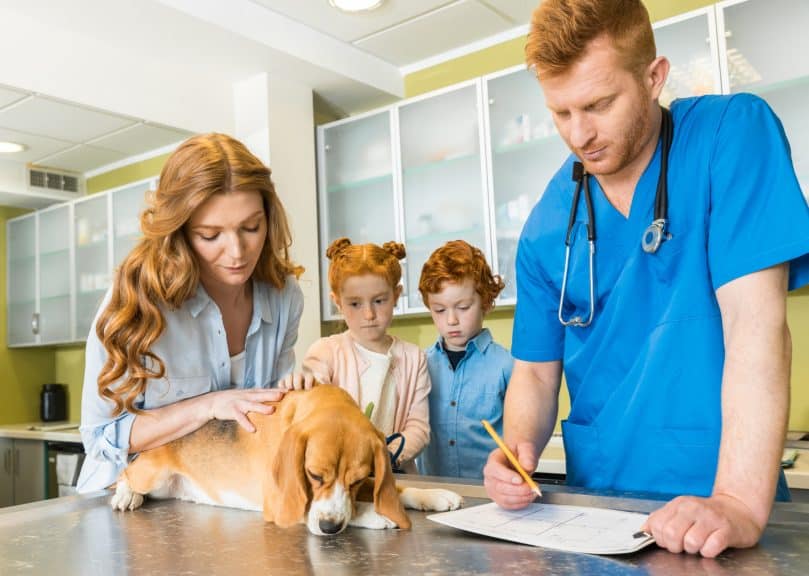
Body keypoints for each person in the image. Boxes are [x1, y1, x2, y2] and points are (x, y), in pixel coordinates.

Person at [483, 0, 809, 558]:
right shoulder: (546, 223)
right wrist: (515, 452)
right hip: (600, 518)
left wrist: (736, 499)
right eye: (560, 113)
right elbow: (535, 375)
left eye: (598, 104)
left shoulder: (731, 138)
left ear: (654, 77)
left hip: (718, 509)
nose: (579, 135)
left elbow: (756, 327)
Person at [77, 133, 305, 492]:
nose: (237, 252)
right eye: (211, 235)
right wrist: (208, 406)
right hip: (127, 500)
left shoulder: (283, 296)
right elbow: (101, 437)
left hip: (220, 497)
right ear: (178, 233)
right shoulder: (134, 301)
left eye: (251, 227)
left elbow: (269, 414)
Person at [284, 237, 430, 473]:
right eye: (355, 304)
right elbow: (317, 417)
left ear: (396, 295)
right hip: (342, 476)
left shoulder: (415, 358)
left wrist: (384, 458)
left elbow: (418, 428)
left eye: (379, 301)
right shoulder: (324, 353)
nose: (369, 314)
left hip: (397, 476)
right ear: (337, 302)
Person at [416, 240, 513, 479]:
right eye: (439, 310)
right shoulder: (420, 365)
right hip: (434, 494)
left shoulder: (507, 366)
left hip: (490, 498)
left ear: (486, 302)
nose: (451, 320)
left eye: (463, 307)